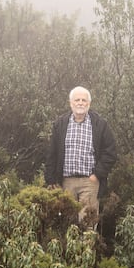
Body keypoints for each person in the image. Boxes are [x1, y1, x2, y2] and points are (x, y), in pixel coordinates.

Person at [45, 86, 117, 228]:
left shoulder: (100, 124)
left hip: (89, 182)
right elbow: (51, 153)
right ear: (71, 103)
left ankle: (87, 249)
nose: (80, 103)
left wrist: (97, 175)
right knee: (66, 223)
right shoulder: (60, 124)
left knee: (88, 224)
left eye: (84, 100)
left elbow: (110, 152)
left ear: (89, 104)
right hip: (65, 182)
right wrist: (51, 179)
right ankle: (68, 250)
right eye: (77, 100)